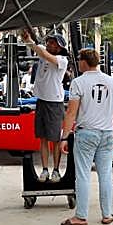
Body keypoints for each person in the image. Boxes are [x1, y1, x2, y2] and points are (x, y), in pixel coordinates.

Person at [59, 49, 113, 225]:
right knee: (106, 174)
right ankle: (107, 213)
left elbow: (71, 112)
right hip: (107, 132)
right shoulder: (112, 82)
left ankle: (81, 215)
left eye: (79, 60)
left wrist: (64, 136)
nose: (78, 63)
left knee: (83, 175)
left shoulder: (78, 83)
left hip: (87, 132)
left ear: (84, 62)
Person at [22, 29, 68, 182]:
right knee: (42, 138)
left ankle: (56, 170)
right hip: (41, 100)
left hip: (54, 102)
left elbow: (45, 55)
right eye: (49, 41)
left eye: (53, 43)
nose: (49, 44)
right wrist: (28, 39)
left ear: (59, 47)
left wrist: (35, 46)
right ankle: (44, 169)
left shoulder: (62, 60)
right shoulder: (42, 51)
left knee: (55, 139)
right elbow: (36, 47)